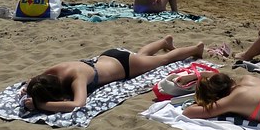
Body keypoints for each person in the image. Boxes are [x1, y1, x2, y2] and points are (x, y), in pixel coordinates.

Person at [22, 35, 204, 112]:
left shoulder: (77, 78)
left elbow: (78, 104)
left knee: (164, 60)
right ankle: (164, 41)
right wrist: (27, 89)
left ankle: (196, 48)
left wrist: (41, 105)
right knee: (142, 57)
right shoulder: (54, 71)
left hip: (124, 66)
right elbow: (33, 80)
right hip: (109, 56)